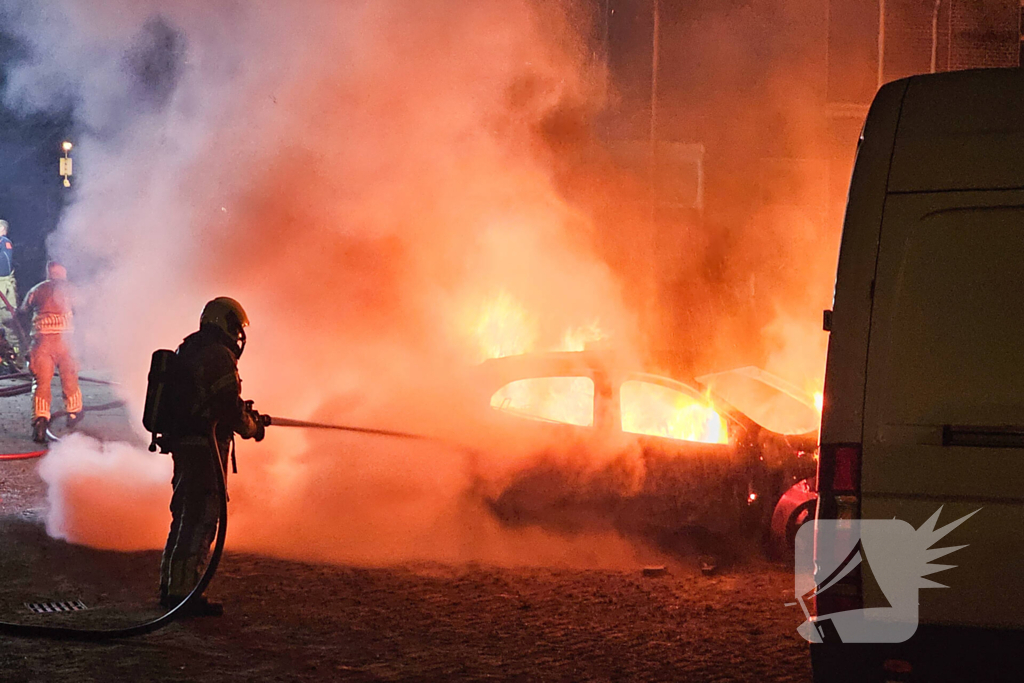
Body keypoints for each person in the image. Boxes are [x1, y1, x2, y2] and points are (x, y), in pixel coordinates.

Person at [159, 296, 265, 617]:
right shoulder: (219, 354)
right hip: (204, 448)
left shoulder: (191, 348)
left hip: (187, 443)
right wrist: (252, 427)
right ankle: (183, 594)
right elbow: (227, 407)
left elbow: (212, 400)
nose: (238, 335)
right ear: (224, 323)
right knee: (201, 518)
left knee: (184, 515)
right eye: (236, 327)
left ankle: (171, 586)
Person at [20, 261, 80, 443]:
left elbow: (23, 311)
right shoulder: (71, 290)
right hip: (66, 343)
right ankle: (73, 414)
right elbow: (82, 310)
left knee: (41, 384)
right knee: (70, 379)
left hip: (42, 343)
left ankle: (40, 422)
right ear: (63, 273)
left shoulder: (37, 290)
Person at [0, 220, 19, 345]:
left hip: (3, 284)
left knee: (7, 317)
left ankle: (14, 346)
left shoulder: (4, 242)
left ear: (2, 229)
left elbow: (4, 264)